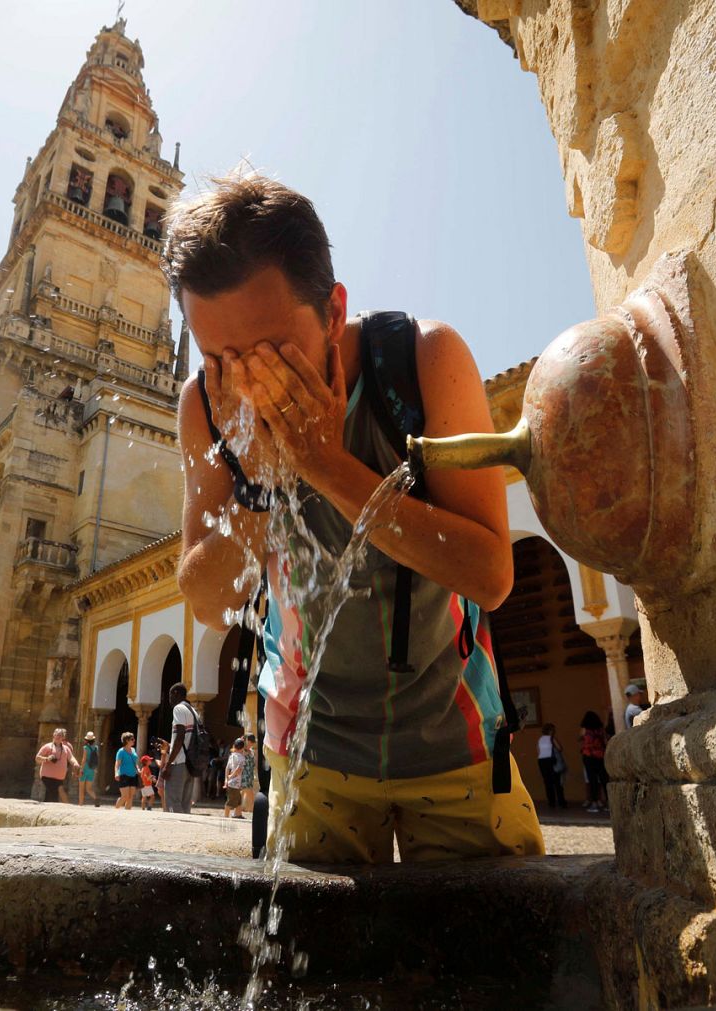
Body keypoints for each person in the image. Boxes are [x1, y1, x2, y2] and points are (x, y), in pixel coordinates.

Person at [167, 175, 543, 863]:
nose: (249, 382)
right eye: (220, 358)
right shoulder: (207, 409)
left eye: (274, 352)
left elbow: (489, 574)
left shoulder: (424, 361)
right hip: (310, 759)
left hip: (455, 749)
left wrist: (327, 466)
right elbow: (208, 600)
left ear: (334, 311)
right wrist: (259, 482)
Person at [162, 682, 201, 814]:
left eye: (170, 695)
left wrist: (168, 764)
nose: (169, 699)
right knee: (185, 804)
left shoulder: (178, 709)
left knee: (172, 802)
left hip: (179, 762)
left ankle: (174, 830)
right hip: (190, 764)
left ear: (175, 693)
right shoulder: (194, 711)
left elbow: (180, 737)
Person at [578, 711, 610, 813]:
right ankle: (608, 803)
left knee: (592, 780)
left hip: (588, 756)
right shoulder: (600, 730)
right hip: (600, 755)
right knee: (603, 779)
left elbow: (580, 738)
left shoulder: (584, 730)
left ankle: (595, 802)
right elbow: (605, 740)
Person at [35, 728, 78, 802]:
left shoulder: (66, 748)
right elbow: (37, 758)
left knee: (52, 795)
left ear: (63, 737)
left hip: (59, 777)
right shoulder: (47, 746)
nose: (58, 736)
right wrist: (47, 758)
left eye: (60, 735)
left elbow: (71, 758)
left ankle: (47, 808)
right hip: (47, 776)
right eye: (56, 735)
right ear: (53, 735)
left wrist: (75, 763)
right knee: (52, 793)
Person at [536, 723, 567, 810]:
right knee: (557, 783)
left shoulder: (540, 739)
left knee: (547, 782)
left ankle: (551, 802)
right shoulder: (552, 738)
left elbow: (538, 751)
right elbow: (560, 748)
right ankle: (562, 802)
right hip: (551, 761)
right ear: (551, 731)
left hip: (542, 762)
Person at [222, 737, 250, 819]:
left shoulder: (232, 756)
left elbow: (227, 767)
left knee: (238, 801)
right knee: (230, 802)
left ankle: (238, 814)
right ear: (242, 748)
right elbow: (239, 769)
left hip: (231, 783)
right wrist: (231, 776)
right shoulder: (242, 758)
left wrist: (226, 779)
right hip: (235, 783)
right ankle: (225, 817)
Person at [113, 732, 140, 809]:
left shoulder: (133, 750)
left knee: (131, 797)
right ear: (127, 740)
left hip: (133, 775)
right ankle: (115, 811)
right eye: (132, 739)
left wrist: (138, 769)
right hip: (124, 775)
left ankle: (127, 814)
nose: (134, 740)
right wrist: (116, 773)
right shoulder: (121, 751)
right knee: (125, 796)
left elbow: (135, 763)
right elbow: (117, 764)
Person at [78, 731, 101, 807]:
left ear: (86, 740)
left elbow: (84, 759)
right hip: (92, 769)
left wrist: (81, 769)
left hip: (85, 769)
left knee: (81, 788)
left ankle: (80, 804)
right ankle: (96, 798)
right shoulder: (96, 748)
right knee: (89, 788)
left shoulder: (85, 748)